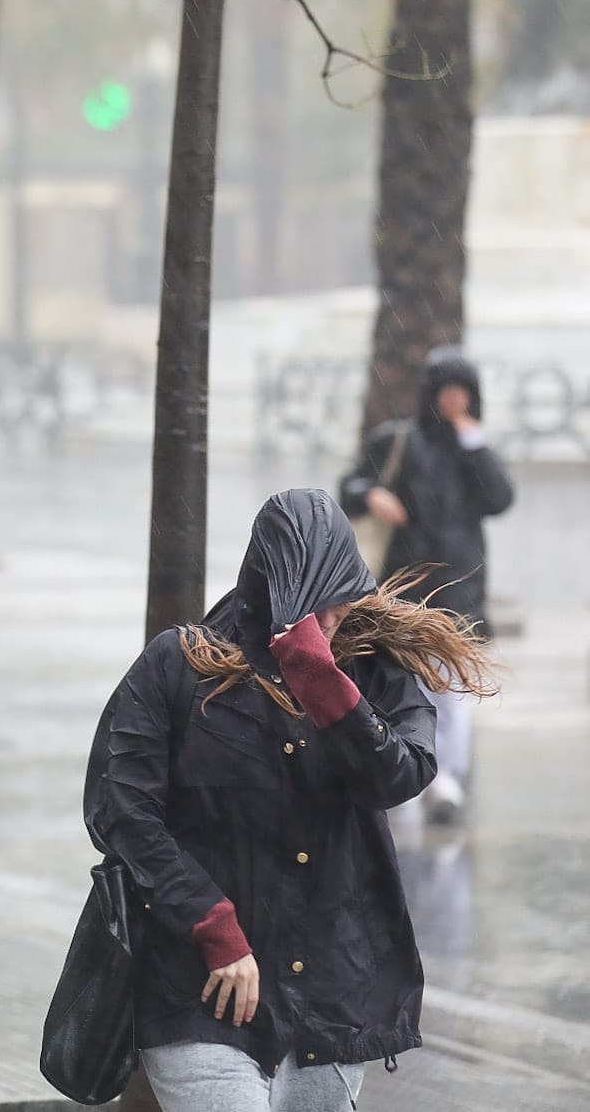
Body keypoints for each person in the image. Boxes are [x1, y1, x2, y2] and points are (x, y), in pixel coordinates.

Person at [84, 488, 495, 1112]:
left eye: (339, 595)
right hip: (202, 992)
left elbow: (402, 775)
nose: (328, 616)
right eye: (313, 601)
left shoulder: (370, 667)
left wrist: (323, 682)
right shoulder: (180, 665)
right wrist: (213, 926)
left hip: (328, 1000)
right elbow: (121, 809)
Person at [340, 346, 514, 822]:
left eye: (464, 393)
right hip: (401, 588)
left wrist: (473, 442)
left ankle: (447, 779)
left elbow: (500, 499)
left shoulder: (472, 451)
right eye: (447, 391)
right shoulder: (396, 442)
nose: (455, 401)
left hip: (459, 589)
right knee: (400, 685)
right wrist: (373, 495)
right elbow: (349, 485)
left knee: (452, 691)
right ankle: (403, 773)